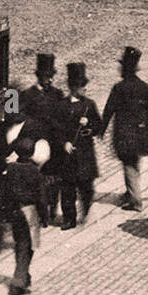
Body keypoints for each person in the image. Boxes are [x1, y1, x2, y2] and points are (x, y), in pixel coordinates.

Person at [99, 47, 148, 211]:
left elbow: (109, 110)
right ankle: (130, 193)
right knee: (133, 163)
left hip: (124, 134)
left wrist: (101, 129)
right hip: (141, 134)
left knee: (128, 165)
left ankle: (135, 201)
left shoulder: (119, 88)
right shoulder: (144, 87)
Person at [0, 136, 47, 295]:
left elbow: (1, 191)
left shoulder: (10, 169)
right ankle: (18, 281)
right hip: (29, 212)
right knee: (27, 245)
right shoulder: (35, 172)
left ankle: (24, 274)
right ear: (32, 153)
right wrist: (44, 216)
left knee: (20, 243)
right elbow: (42, 197)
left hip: (13, 211)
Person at [56, 63, 102, 228]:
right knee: (67, 188)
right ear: (73, 88)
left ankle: (87, 209)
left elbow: (98, 126)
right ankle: (69, 219)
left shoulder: (89, 105)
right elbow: (56, 128)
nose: (85, 89)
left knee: (86, 187)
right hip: (68, 154)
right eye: (82, 87)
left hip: (85, 152)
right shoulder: (61, 106)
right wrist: (64, 143)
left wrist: (88, 123)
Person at [20, 52, 65, 218]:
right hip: (36, 143)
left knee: (55, 177)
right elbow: (20, 117)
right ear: (39, 77)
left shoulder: (57, 94)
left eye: (51, 76)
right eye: (47, 77)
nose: (50, 80)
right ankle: (41, 208)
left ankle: (53, 205)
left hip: (54, 143)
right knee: (38, 178)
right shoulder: (27, 95)